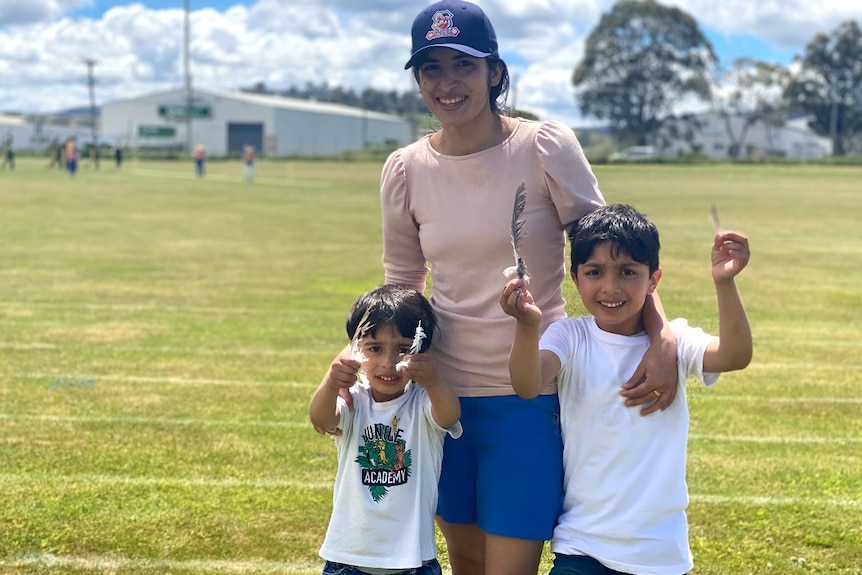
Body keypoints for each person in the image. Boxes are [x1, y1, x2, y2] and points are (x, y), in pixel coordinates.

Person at [371, 2, 681, 574]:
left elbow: (613, 251)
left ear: (494, 72)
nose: (447, 83)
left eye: (462, 65)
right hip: (441, 397)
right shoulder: (405, 169)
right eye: (431, 68)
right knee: (463, 561)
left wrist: (659, 339)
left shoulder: (544, 147)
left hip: (530, 395)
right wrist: (366, 361)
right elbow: (402, 286)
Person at [500, 204, 753, 575]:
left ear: (654, 279)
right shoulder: (570, 336)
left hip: (659, 554)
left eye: (628, 272)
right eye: (595, 272)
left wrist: (725, 282)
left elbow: (734, 355)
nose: (610, 287)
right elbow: (527, 384)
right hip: (582, 546)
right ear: (575, 278)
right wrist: (525, 327)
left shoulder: (676, 342)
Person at [310, 284, 462, 575]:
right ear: (356, 349)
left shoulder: (423, 404)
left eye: (404, 350)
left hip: (413, 563)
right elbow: (321, 418)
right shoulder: (353, 401)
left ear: (422, 350)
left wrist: (433, 381)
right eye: (375, 349)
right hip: (348, 560)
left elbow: (448, 414)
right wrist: (331, 382)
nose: (388, 363)